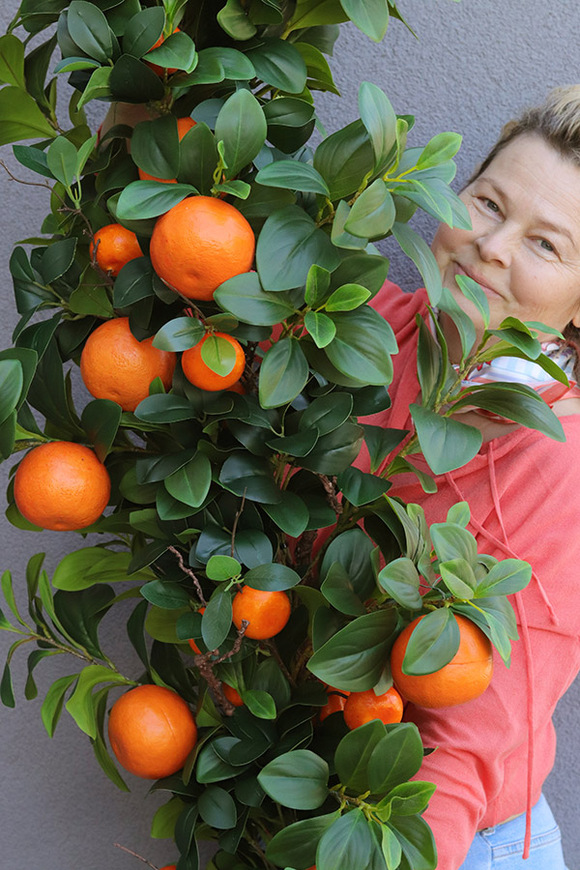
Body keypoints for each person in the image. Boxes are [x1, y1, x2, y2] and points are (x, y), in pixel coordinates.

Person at [356, 86, 580, 869]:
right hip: (330, 797)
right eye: (487, 203)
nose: (491, 246)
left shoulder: (559, 465)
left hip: (453, 840)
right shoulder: (370, 331)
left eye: (547, 245)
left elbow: (470, 741)